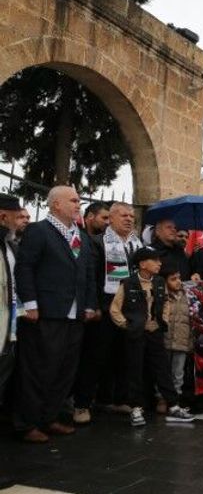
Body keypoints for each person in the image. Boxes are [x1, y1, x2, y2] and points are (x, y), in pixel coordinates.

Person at [15, 186, 98, 443]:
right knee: (39, 369)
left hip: (74, 316)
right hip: (46, 312)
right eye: (73, 200)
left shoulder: (80, 236)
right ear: (56, 205)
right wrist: (30, 303)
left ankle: (49, 417)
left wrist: (89, 305)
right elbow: (25, 267)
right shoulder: (39, 231)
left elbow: (87, 274)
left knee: (64, 370)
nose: (78, 204)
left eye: (79, 200)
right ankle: (26, 423)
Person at [73, 201, 143, 424]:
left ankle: (115, 398)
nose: (129, 219)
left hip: (130, 309)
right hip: (104, 307)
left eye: (131, 216)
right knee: (95, 357)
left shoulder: (137, 243)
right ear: (110, 219)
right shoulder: (97, 242)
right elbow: (90, 277)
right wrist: (92, 305)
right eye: (123, 215)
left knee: (124, 357)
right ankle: (82, 404)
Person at [109, 247, 194, 426]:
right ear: (142, 264)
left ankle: (173, 405)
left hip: (155, 331)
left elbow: (165, 305)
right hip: (135, 333)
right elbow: (115, 309)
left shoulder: (159, 282)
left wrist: (162, 321)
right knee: (135, 369)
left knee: (162, 368)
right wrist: (127, 325)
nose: (159, 264)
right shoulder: (128, 283)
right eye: (155, 260)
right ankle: (136, 408)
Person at [0, 193, 22, 409]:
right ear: (3, 216)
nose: (19, 223)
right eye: (16, 218)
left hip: (9, 326)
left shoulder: (11, 246)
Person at [161, 262, 192, 402]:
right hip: (165, 339)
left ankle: (176, 397)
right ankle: (161, 397)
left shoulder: (188, 296)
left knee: (178, 372)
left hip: (182, 340)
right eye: (173, 279)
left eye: (179, 278)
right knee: (163, 370)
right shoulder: (162, 296)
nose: (178, 282)